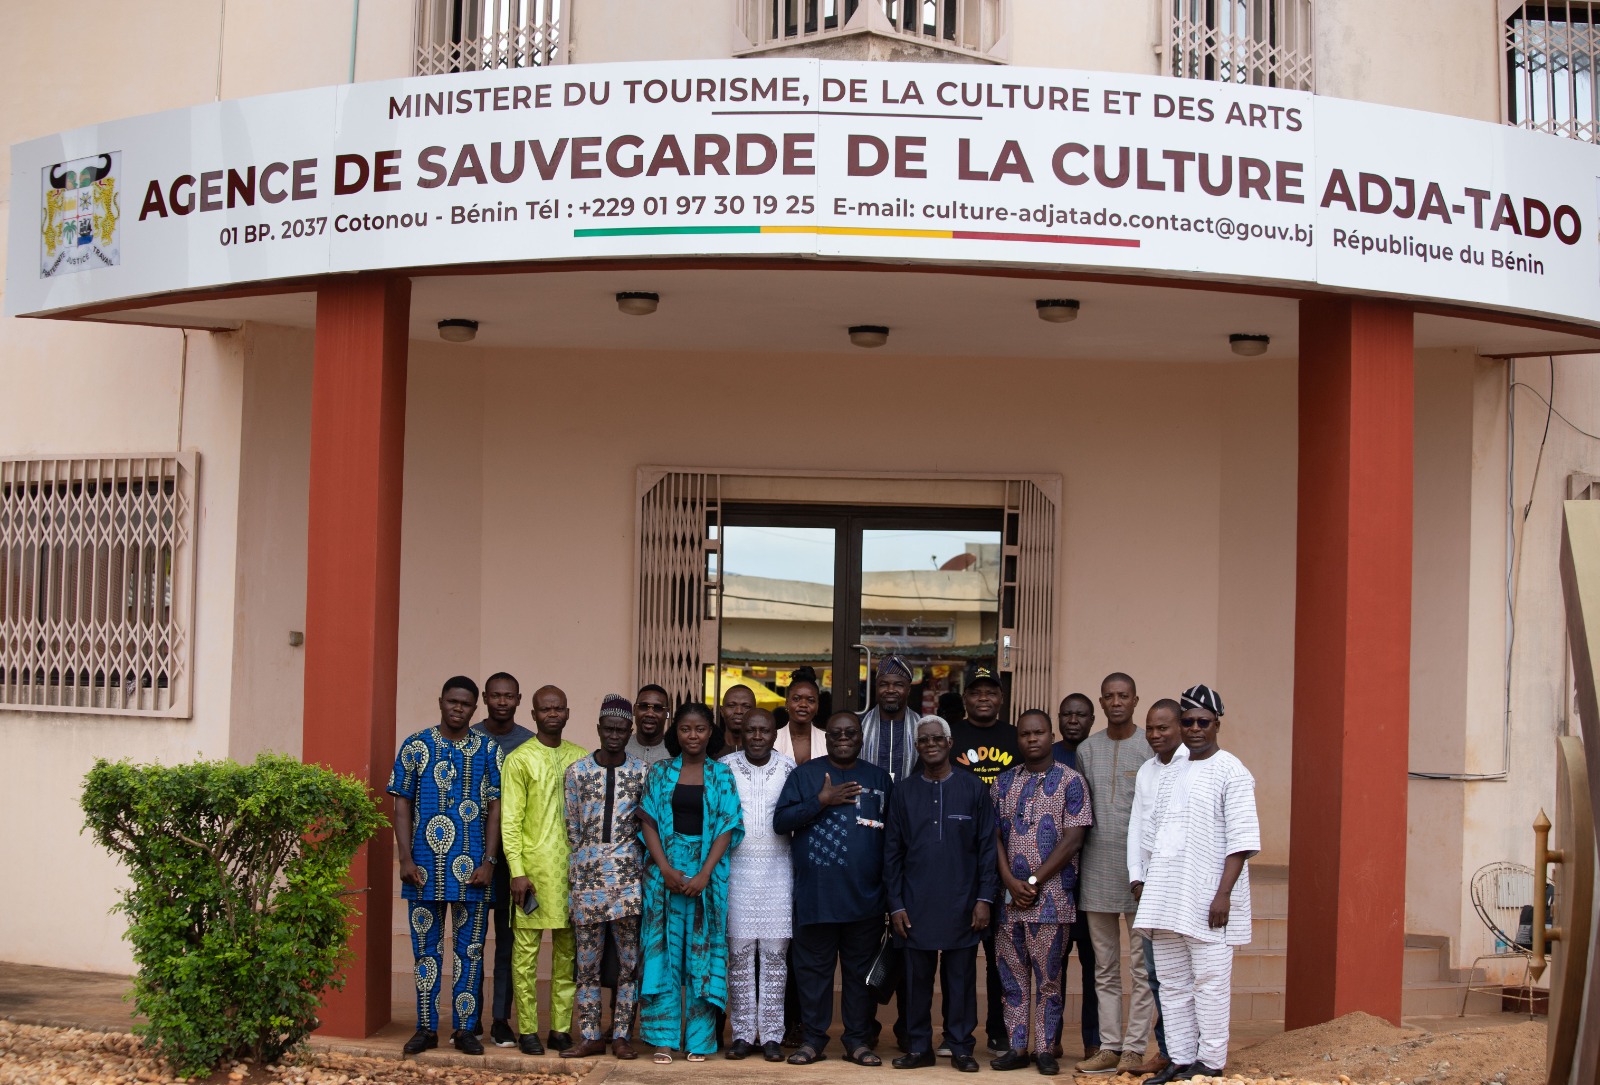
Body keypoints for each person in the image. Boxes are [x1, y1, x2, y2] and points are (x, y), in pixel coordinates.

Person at [1133, 686, 1258, 1085]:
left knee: (1210, 983)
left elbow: (1241, 841)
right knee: (1171, 983)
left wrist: (1223, 894)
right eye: (1188, 721)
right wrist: (1147, 884)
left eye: (1203, 721)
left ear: (1217, 724)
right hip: (1168, 896)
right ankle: (1182, 1060)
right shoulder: (1171, 771)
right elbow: (1154, 834)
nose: (1195, 728)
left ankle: (1211, 1061)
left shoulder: (1233, 771)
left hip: (1208, 899)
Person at [390, 676, 503, 1056]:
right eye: (453, 701)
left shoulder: (488, 749)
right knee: (426, 952)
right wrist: (404, 857)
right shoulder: (416, 745)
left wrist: (490, 860)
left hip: (473, 871)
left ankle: (465, 1030)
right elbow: (401, 801)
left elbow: (496, 808)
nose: (459, 708)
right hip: (422, 868)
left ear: (475, 708)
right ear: (441, 701)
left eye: (466, 704)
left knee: (470, 953)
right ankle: (425, 1028)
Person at [774, 711, 894, 1067]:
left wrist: (890, 894)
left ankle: (857, 1040)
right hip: (816, 897)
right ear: (826, 738)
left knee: (860, 976)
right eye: (836, 733)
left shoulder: (878, 779)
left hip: (866, 898)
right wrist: (821, 800)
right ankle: (812, 1040)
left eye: (850, 732)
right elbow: (781, 822)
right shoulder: (805, 774)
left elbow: (892, 838)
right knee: (813, 975)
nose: (843, 737)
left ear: (861, 737)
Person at [885, 716, 997, 1073]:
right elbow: (892, 853)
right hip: (915, 902)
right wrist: (896, 903)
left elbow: (987, 850)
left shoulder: (974, 789)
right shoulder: (903, 792)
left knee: (960, 979)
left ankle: (961, 1046)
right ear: (917, 748)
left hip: (963, 902)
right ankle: (919, 1047)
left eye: (937, 738)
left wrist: (984, 899)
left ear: (950, 744)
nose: (930, 744)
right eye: (923, 740)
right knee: (917, 981)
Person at [638, 702, 745, 1063]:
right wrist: (665, 868)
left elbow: (728, 826)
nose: (693, 735)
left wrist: (703, 874)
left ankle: (699, 1041)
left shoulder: (722, 775)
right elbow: (648, 822)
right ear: (676, 733)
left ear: (710, 732)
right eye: (686, 729)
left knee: (702, 953)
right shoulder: (659, 772)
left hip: (706, 877)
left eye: (700, 729)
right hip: (663, 876)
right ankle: (662, 1038)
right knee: (664, 955)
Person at [990, 710, 1093, 1077]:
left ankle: (1046, 1049)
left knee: (1049, 980)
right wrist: (1007, 879)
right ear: (1018, 739)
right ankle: (1017, 1047)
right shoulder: (1001, 784)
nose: (1032, 739)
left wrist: (1032, 882)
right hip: (1009, 903)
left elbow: (1073, 839)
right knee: (1012, 978)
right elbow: (995, 837)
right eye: (1025, 734)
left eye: (1039, 733)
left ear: (1051, 736)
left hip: (1052, 902)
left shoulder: (1072, 782)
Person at [1074, 673, 1156, 1075]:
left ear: (1136, 700)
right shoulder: (1087, 749)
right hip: (1096, 873)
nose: (1117, 702)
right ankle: (1109, 1045)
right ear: (1101, 704)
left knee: (1142, 966)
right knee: (1104, 967)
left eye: (1124, 696)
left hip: (1142, 876)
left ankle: (1135, 1048)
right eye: (1109, 697)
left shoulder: (1151, 748)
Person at [561, 695, 650, 1060]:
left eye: (620, 729)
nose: (614, 735)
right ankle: (589, 1034)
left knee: (629, 963)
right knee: (587, 963)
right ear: (598, 729)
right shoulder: (577, 772)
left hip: (629, 881)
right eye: (608, 729)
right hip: (587, 880)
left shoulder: (643, 772)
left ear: (629, 731)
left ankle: (622, 1035)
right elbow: (572, 826)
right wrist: (590, 859)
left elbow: (646, 827)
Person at [502, 685, 587, 1055]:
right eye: (545, 709)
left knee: (568, 955)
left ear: (567, 713)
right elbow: (510, 821)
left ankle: (560, 1029)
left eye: (558, 708)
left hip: (573, 874)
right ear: (533, 715)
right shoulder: (520, 760)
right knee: (525, 956)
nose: (552, 714)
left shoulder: (581, 758)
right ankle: (527, 1031)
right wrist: (517, 871)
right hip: (532, 875)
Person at [947, 667, 1020, 1055]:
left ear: (1001, 697)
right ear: (965, 699)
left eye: (991, 691)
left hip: (1008, 857)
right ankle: (954, 1034)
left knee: (999, 954)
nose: (984, 698)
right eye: (976, 692)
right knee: (956, 951)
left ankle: (999, 1029)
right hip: (958, 858)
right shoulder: (950, 736)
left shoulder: (1015, 738)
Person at [720, 708, 796, 1062]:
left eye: (764, 730)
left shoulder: (788, 769)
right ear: (741, 733)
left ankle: (771, 1036)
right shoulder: (725, 767)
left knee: (776, 958)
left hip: (779, 873)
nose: (757, 736)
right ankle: (742, 1034)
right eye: (750, 730)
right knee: (738, 958)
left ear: (773, 733)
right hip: (736, 873)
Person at [471, 672, 535, 1049]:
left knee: (508, 942)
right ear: (485, 697)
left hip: (515, 861)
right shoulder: (471, 737)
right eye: (495, 695)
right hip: (473, 857)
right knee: (473, 940)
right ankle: (470, 1018)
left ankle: (500, 1019)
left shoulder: (527, 743)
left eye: (508, 696)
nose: (501, 702)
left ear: (518, 699)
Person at [1126, 700, 1188, 1079]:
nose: (1154, 735)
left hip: (1182, 888)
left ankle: (1190, 1052)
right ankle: (1167, 1051)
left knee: (1184, 975)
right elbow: (1136, 824)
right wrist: (1136, 876)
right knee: (1155, 973)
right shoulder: (1147, 770)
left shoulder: (1195, 767)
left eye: (1162, 727)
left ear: (1180, 727)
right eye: (1150, 728)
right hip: (1149, 888)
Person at [1049, 693, 1101, 1062]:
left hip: (1096, 878)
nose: (1073, 720)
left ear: (1092, 717)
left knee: (1096, 969)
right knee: (1054, 965)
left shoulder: (1100, 751)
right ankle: (1050, 1039)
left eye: (1080, 715)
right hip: (1055, 880)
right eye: (1066, 714)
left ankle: (1094, 1042)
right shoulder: (1047, 757)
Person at [860, 655, 922, 783]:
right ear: (876, 688)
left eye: (898, 685)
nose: (890, 690)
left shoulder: (922, 727)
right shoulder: (858, 725)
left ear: (909, 689)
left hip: (909, 800)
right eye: (884, 684)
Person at [773, 667, 827, 765]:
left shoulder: (828, 741)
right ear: (786, 703)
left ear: (817, 706)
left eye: (810, 700)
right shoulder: (772, 740)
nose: (803, 705)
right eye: (796, 699)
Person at [629, 683, 673, 766]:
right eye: (643, 706)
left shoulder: (676, 752)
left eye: (658, 708)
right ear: (634, 710)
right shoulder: (621, 748)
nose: (650, 713)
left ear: (667, 713)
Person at [718, 684, 757, 757]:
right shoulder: (708, 752)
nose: (739, 711)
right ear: (722, 711)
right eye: (731, 705)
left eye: (746, 706)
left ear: (755, 712)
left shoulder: (765, 754)